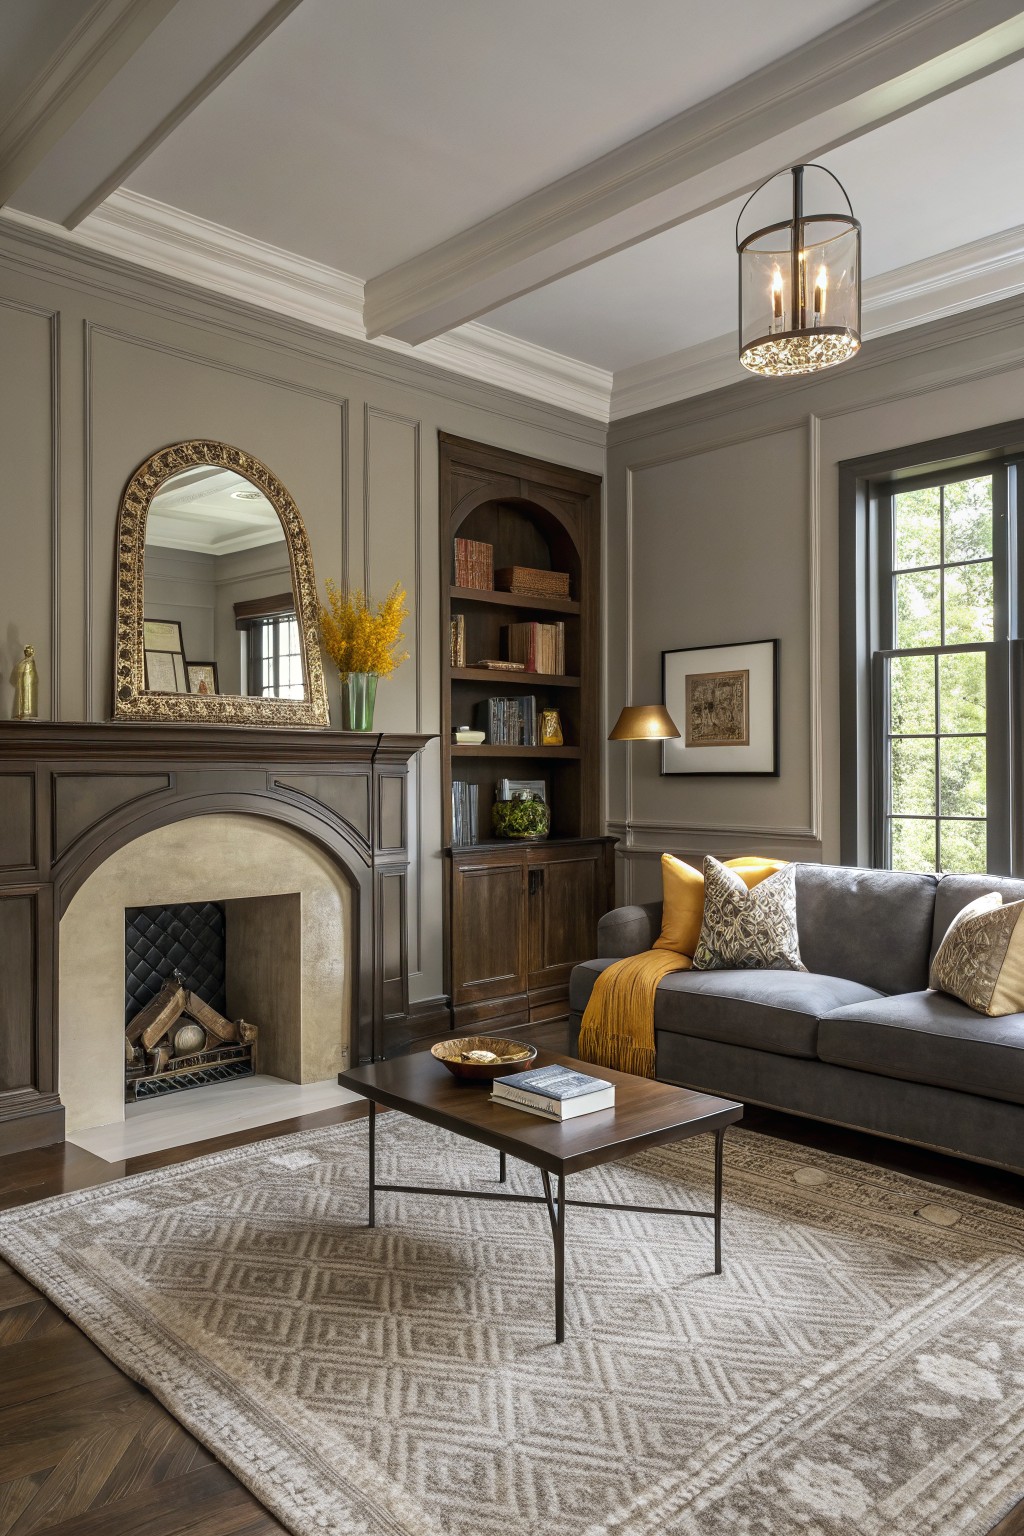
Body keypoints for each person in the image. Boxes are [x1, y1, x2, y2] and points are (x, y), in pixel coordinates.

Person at [14, 644, 38, 720]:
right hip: (23, 682)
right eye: (26, 651)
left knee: (27, 696)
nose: (26, 652)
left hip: (28, 683)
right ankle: (21, 712)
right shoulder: (23, 662)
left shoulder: (31, 662)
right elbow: (18, 670)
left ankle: (26, 712)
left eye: (28, 651)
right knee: (22, 695)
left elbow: (33, 674)